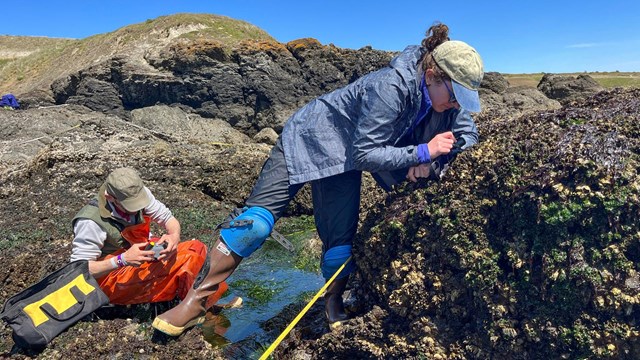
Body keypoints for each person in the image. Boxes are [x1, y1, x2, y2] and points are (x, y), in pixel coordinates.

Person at [152, 22, 484, 336]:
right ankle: (194, 303)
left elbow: (468, 134)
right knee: (253, 226)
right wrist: (422, 153)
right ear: (431, 76)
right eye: (455, 95)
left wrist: (433, 157)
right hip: (308, 137)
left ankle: (332, 302)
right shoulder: (391, 87)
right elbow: (366, 155)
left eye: (462, 98)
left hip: (343, 157)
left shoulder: (445, 100)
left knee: (340, 244)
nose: (457, 104)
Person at [70, 167, 227, 311]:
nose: (138, 208)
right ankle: (202, 311)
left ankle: (203, 301)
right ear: (110, 198)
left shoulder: (137, 193)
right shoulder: (90, 222)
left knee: (197, 247)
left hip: (139, 253)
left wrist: (173, 236)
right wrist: (122, 259)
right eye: (130, 206)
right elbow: (78, 271)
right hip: (110, 279)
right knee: (188, 261)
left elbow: (168, 219)